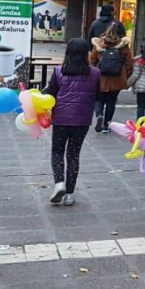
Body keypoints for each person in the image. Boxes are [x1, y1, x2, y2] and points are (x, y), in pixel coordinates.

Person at [44, 38, 101, 206]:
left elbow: (50, 95)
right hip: (82, 120)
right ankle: (69, 194)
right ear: (86, 54)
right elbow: (99, 96)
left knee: (57, 152)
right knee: (74, 155)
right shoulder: (95, 73)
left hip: (61, 118)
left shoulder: (58, 71)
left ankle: (59, 183)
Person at [89, 27, 132, 133]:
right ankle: (106, 125)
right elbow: (129, 64)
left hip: (101, 78)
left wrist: (94, 73)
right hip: (117, 79)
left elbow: (92, 60)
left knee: (99, 99)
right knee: (111, 102)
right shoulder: (124, 46)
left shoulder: (99, 44)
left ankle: (99, 115)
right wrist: (125, 75)